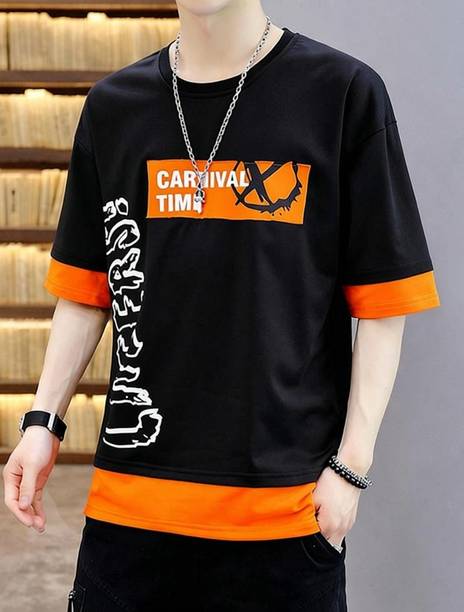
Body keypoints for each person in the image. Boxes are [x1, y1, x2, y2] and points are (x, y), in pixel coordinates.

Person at [3, 1, 440, 610]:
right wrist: (41, 423)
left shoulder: (342, 93)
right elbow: (85, 291)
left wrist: (350, 469)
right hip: (132, 506)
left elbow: (384, 302)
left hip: (282, 512)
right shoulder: (114, 107)